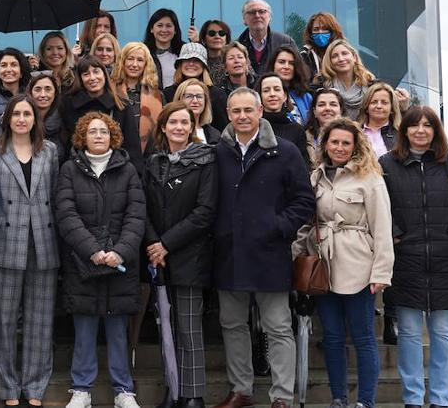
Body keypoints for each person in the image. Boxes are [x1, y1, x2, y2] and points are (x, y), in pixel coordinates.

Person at [211, 88, 315, 408]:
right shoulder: (218, 152)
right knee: (232, 324)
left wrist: (278, 227)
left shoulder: (284, 152)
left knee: (278, 326)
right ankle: (241, 390)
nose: (242, 116)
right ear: (228, 114)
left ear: (260, 111)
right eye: (236, 111)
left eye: (248, 110)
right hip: (229, 253)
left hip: (270, 253)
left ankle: (282, 396)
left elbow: (304, 201)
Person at [380, 106, 448, 408]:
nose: (421, 130)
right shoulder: (387, 164)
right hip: (406, 260)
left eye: (428, 125)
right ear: (405, 130)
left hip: (445, 260)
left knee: (442, 331)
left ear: (436, 130)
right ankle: (413, 398)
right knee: (409, 332)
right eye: (414, 125)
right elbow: (378, 205)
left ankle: (441, 400)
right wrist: (395, 234)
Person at [292, 119, 393, 408]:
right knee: (333, 337)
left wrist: (381, 272)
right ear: (325, 144)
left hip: (359, 267)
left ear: (355, 146)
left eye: (345, 143)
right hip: (323, 267)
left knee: (363, 337)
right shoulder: (315, 178)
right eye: (334, 142)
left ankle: (365, 401)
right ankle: (339, 398)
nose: (339, 147)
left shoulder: (370, 178)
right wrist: (297, 258)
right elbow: (306, 223)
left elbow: (383, 227)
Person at [54, 112, 146, 408]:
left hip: (120, 262)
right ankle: (81, 389)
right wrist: (91, 250)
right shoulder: (70, 169)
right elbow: (66, 214)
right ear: (82, 137)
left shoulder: (128, 170)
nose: (97, 136)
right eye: (92, 131)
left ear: (112, 137)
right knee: (84, 328)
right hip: (83, 262)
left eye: (103, 131)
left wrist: (120, 251)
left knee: (118, 329)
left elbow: (136, 215)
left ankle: (123, 390)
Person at [0, 96, 59, 408]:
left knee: (40, 320)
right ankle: (9, 387)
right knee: (4, 320)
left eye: (28, 114)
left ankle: (35, 386)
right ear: (7, 119)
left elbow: (55, 196)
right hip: (5, 242)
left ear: (35, 119)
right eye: (17, 114)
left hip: (43, 242)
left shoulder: (50, 151)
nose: (22, 119)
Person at [143, 102, 217, 408]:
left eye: (184, 123)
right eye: (172, 122)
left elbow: (205, 211)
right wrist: (152, 244)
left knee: (188, 327)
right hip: (157, 256)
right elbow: (142, 207)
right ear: (163, 127)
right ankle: (174, 390)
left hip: (190, 254)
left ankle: (193, 395)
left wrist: (167, 244)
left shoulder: (205, 160)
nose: (178, 127)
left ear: (192, 127)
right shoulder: (153, 162)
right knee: (167, 329)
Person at [161, 43, 228, 129]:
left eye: (196, 60)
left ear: (203, 65)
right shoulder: (168, 93)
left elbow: (223, 128)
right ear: (180, 64)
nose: (191, 64)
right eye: (187, 59)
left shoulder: (217, 94)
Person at [316, 39, 376, 122]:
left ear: (354, 57)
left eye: (344, 53)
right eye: (335, 56)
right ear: (330, 62)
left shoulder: (372, 85)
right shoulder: (321, 86)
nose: (341, 59)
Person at [236, 0, 297, 75]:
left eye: (262, 11)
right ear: (244, 19)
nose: (257, 16)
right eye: (252, 12)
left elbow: (299, 72)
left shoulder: (286, 42)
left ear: (270, 17)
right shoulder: (236, 47)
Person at [257, 73, 307, 151]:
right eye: (266, 90)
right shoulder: (253, 128)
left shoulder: (297, 130)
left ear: (285, 96)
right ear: (259, 96)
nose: (272, 94)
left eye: (277, 89)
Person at [264, 44, 312, 124]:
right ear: (273, 65)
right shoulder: (261, 94)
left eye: (291, 63)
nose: (286, 67)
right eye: (282, 62)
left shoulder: (305, 97)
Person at [303, 88, 346, 165]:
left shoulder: (355, 136)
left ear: (341, 110)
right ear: (314, 112)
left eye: (333, 104)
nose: (327, 108)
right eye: (321, 105)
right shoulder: (303, 138)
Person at [172, 78, 221, 145]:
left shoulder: (215, 135)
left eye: (199, 96)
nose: (195, 101)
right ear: (179, 99)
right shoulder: (171, 130)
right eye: (189, 96)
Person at [28, 72, 67, 152]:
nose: (43, 95)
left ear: (55, 93)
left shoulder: (65, 116)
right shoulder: (20, 116)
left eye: (48, 89)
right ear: (30, 93)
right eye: (37, 90)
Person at [360, 81, 401, 158]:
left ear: (392, 108)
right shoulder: (355, 132)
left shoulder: (400, 135)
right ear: (366, 107)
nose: (379, 106)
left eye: (384, 102)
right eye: (374, 102)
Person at [143, 9, 182, 88]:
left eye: (168, 26)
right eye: (160, 25)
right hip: (152, 98)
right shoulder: (143, 53)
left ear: (175, 30)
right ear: (151, 29)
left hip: (179, 99)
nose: (164, 30)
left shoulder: (184, 53)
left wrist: (196, 42)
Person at [298, 12, 344, 78]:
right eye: (316, 29)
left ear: (333, 31)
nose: (320, 32)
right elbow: (304, 81)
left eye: (324, 29)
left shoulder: (343, 52)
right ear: (310, 33)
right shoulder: (306, 54)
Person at [193, 19, 232, 85]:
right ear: (204, 39)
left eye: (221, 33)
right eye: (212, 33)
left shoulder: (233, 60)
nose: (217, 36)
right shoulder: (198, 62)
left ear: (226, 39)